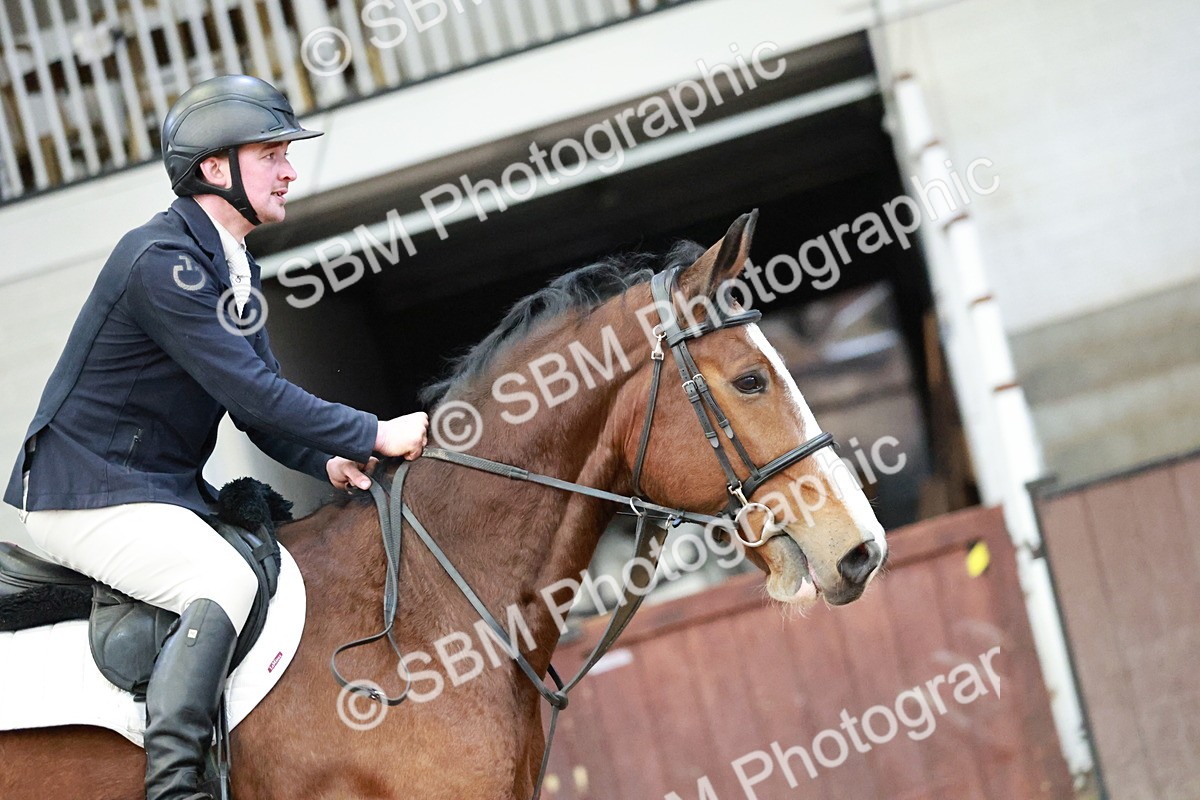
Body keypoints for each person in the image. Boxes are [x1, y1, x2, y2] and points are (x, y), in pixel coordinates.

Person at [3, 75, 428, 800]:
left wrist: (326, 456)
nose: (290, 168)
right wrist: (374, 431)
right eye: (271, 153)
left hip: (149, 492)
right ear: (213, 168)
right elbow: (253, 392)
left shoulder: (230, 265)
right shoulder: (159, 264)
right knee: (219, 578)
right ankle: (174, 787)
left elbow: (259, 414)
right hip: (86, 495)